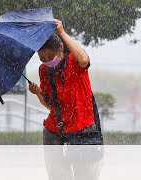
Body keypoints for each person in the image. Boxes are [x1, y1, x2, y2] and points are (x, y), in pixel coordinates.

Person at [28, 19, 103, 180]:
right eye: (42, 58)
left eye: (50, 56)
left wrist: (61, 32)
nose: (47, 61)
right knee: (57, 175)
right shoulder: (44, 71)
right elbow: (50, 105)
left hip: (82, 127)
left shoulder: (75, 61)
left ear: (61, 48)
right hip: (55, 129)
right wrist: (39, 93)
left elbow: (84, 60)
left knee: (85, 175)